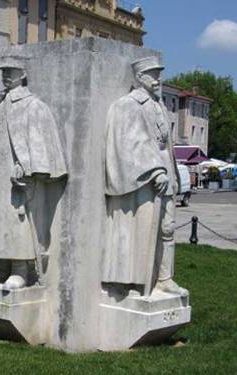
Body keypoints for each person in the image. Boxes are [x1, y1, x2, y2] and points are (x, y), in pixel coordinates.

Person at [0, 59, 67, 289]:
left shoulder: (32, 105)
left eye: (11, 71)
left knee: (17, 222)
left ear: (23, 73)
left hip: (18, 177)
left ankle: (19, 271)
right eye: (4, 71)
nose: (6, 75)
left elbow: (40, 142)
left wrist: (28, 168)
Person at [103, 56, 188, 297]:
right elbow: (129, 142)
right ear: (139, 77)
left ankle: (164, 278)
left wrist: (167, 172)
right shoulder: (128, 104)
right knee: (139, 230)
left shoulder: (158, 104)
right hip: (144, 177)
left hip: (165, 175)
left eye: (159, 73)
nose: (158, 78)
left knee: (168, 228)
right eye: (152, 74)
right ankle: (134, 281)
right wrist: (154, 169)